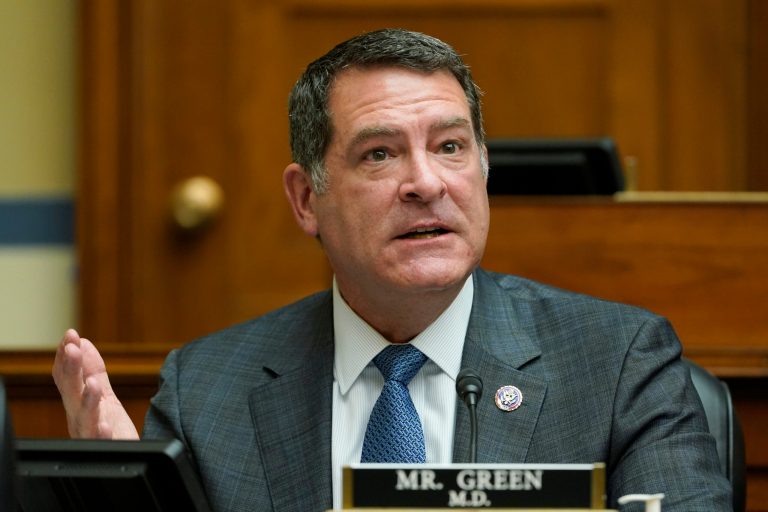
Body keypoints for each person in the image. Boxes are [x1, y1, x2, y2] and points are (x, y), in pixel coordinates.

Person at [53, 28, 731, 511]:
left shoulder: (617, 365)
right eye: (379, 154)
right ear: (305, 198)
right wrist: (121, 497)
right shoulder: (205, 392)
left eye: (451, 146)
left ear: (484, 170)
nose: (426, 182)